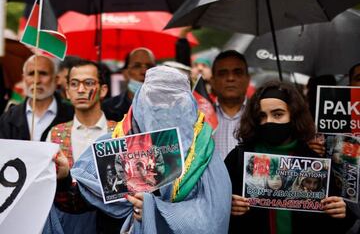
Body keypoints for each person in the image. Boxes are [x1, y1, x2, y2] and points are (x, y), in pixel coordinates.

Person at [51, 65, 232, 233]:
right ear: (138, 102)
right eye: (154, 99)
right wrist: (64, 178)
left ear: (190, 105)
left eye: (173, 101)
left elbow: (214, 218)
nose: (163, 108)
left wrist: (153, 210)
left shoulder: (203, 153)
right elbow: (77, 204)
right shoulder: (114, 143)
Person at [225, 80, 356, 234]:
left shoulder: (314, 162)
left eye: (278, 114)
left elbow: (331, 222)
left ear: (293, 116)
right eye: (262, 116)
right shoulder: (239, 158)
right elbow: (215, 209)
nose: (269, 121)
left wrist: (340, 211)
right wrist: (228, 206)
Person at [47, 59, 121, 234]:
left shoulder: (119, 132)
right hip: (66, 224)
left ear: (103, 90)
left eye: (88, 83)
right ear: (67, 91)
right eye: (74, 84)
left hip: (110, 225)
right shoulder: (56, 134)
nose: (81, 90)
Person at [0, 55, 73, 141]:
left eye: (43, 74)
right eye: (31, 74)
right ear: (24, 78)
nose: (36, 80)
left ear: (56, 79)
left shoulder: (72, 115)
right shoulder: (9, 117)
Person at [210, 50, 250, 160]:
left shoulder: (259, 116)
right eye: (223, 73)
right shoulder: (201, 118)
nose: (230, 78)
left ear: (248, 79)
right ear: (212, 81)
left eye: (237, 72)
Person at [102, 47, 156, 121]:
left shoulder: (166, 106)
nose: (144, 71)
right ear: (125, 73)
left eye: (149, 66)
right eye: (137, 66)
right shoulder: (108, 108)